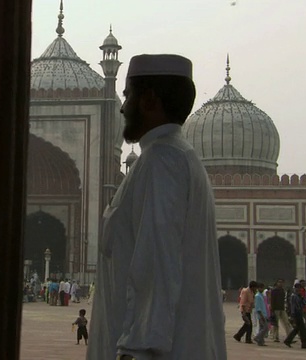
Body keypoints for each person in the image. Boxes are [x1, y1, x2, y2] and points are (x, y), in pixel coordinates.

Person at [86, 54, 226, 360]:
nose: (122, 108)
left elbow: (157, 261)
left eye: (127, 96)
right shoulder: (177, 157)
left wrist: (138, 349)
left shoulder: (162, 161)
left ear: (149, 100)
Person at [283, 283, 306, 349]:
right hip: (296, 313)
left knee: (297, 329)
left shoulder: (299, 296)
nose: (299, 289)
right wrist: (292, 315)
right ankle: (304, 344)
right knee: (302, 329)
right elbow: (293, 306)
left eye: (299, 288)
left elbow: (304, 304)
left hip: (299, 312)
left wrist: (302, 297)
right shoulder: (293, 296)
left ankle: (288, 341)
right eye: (297, 288)